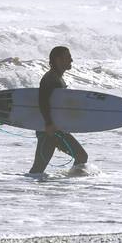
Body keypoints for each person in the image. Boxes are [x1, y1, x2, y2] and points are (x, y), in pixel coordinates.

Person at [28, 46, 88, 174]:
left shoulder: (56, 77)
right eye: (68, 57)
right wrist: (49, 124)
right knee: (81, 156)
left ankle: (54, 188)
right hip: (50, 130)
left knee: (38, 169)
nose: (71, 60)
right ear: (58, 60)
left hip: (53, 129)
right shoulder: (50, 79)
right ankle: (69, 184)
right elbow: (42, 101)